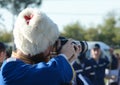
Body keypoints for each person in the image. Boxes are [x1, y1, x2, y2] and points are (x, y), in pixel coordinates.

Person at [0, 8, 81, 85]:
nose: (52, 48)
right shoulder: (9, 69)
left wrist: (67, 61)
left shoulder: (40, 70)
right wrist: (63, 57)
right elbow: (48, 75)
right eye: (50, 43)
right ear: (39, 45)